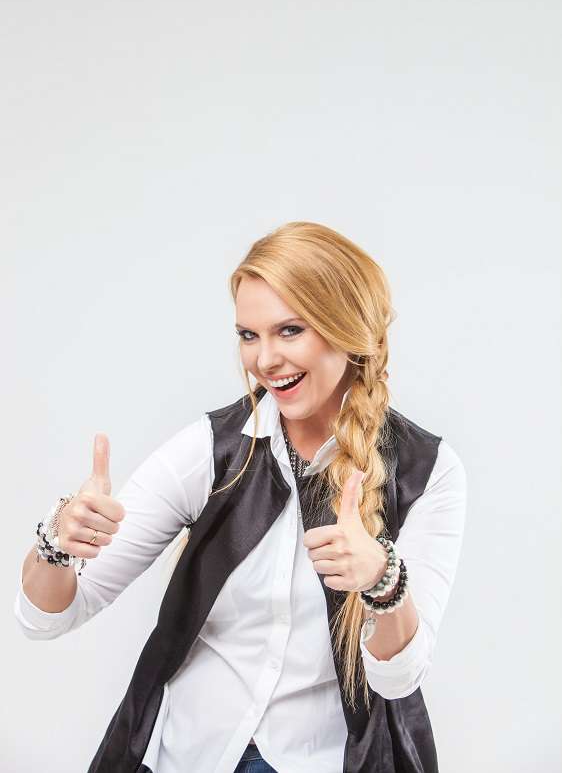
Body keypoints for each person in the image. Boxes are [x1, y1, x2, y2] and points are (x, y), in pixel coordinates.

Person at [14, 221, 467, 773]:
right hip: (192, 755)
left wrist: (381, 580)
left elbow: (398, 678)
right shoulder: (210, 450)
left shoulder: (428, 472)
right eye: (249, 335)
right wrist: (58, 543)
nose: (265, 359)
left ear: (348, 328)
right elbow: (50, 617)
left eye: (290, 330)